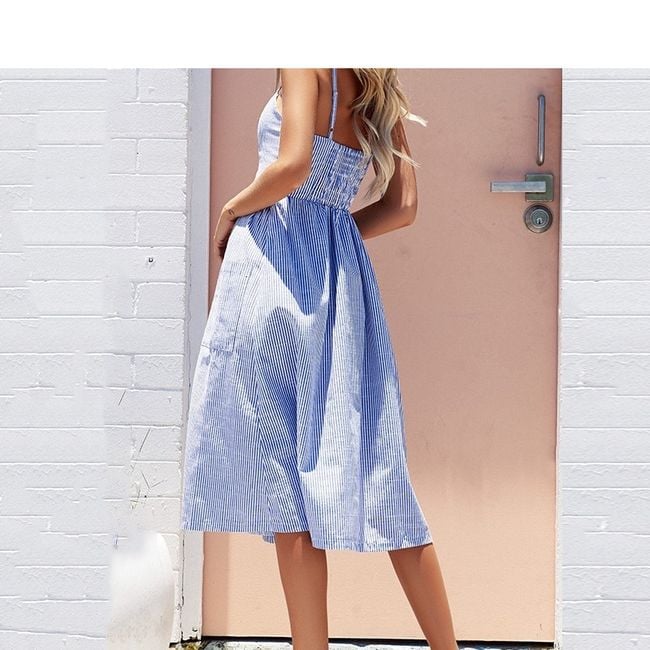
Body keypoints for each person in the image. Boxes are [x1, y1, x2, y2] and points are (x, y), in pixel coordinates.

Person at [180, 68, 459, 650]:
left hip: (274, 273)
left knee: (287, 487)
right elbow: (404, 205)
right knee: (383, 472)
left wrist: (231, 210)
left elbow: (292, 165)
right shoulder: (375, 82)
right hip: (340, 284)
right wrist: (334, 231)